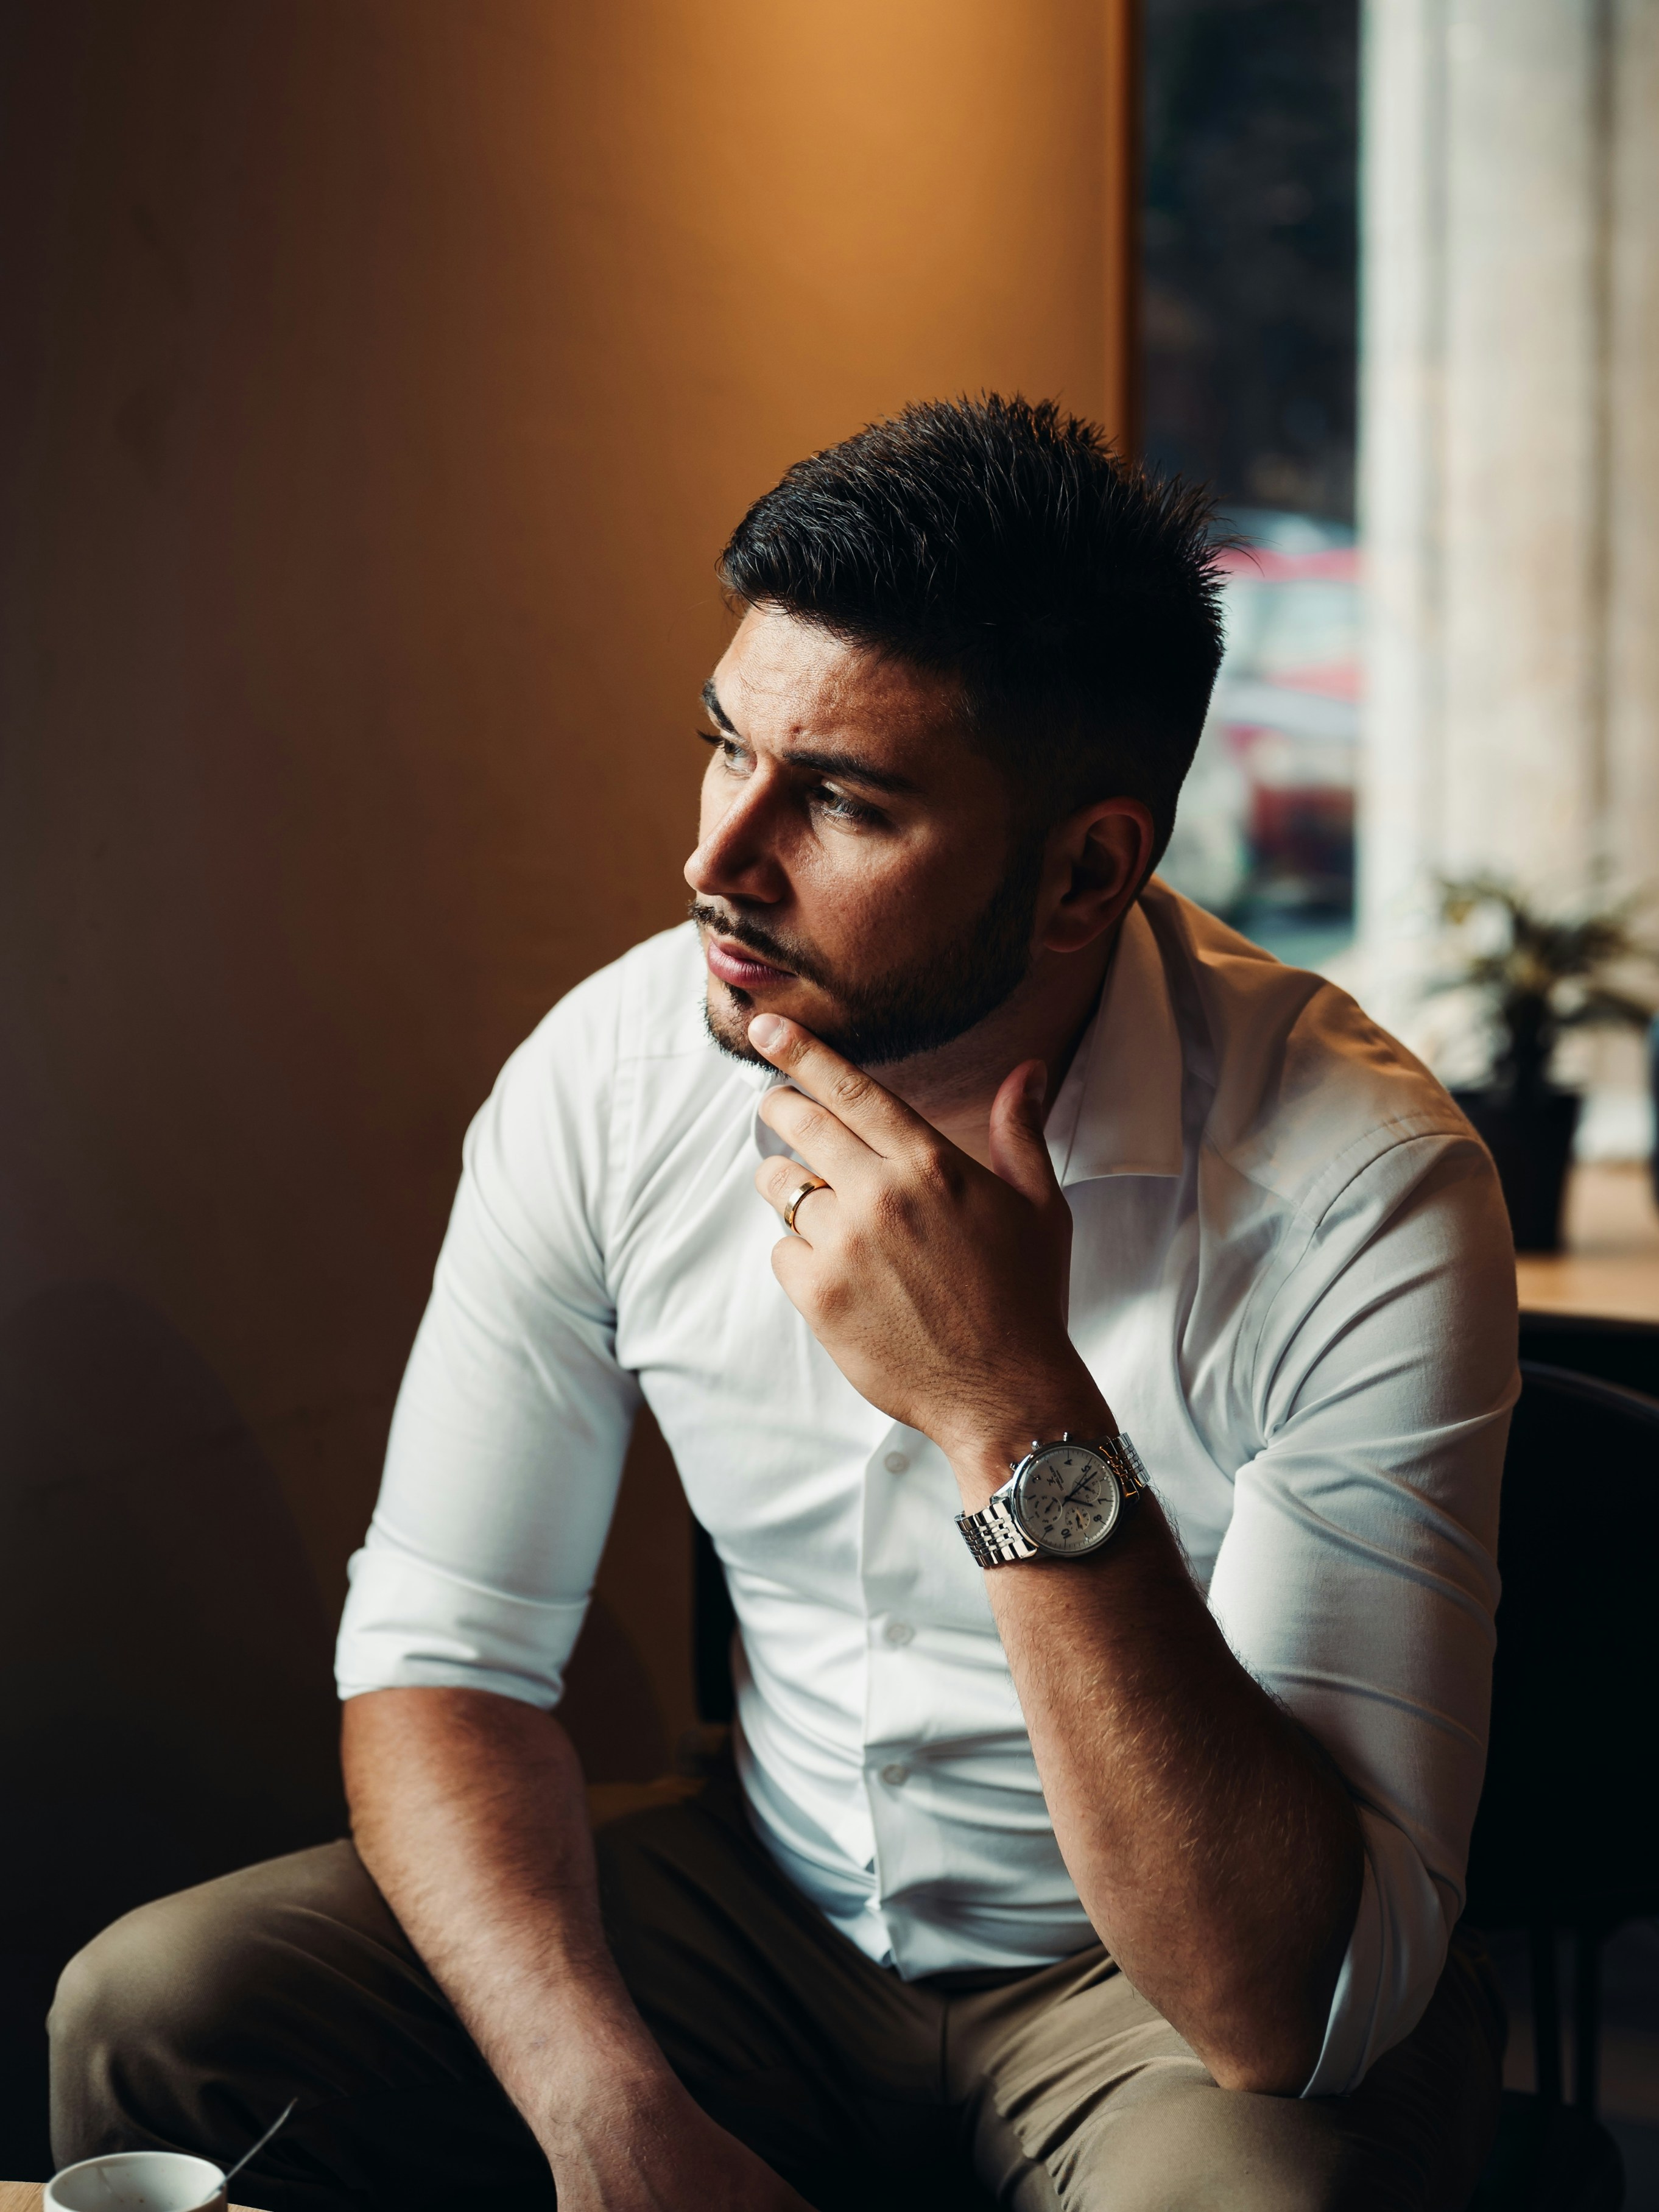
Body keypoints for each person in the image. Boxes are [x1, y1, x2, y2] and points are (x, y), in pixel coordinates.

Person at [49, 397, 1516, 2212]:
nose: (717, 862)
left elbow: (1278, 2001)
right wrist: (608, 2116)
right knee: (159, 2010)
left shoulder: (1361, 1188)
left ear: (1083, 871)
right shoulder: (615, 1074)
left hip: (1158, 1978)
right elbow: (443, 1655)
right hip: (767, 1906)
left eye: (839, 799)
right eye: (720, 748)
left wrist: (1011, 1411)